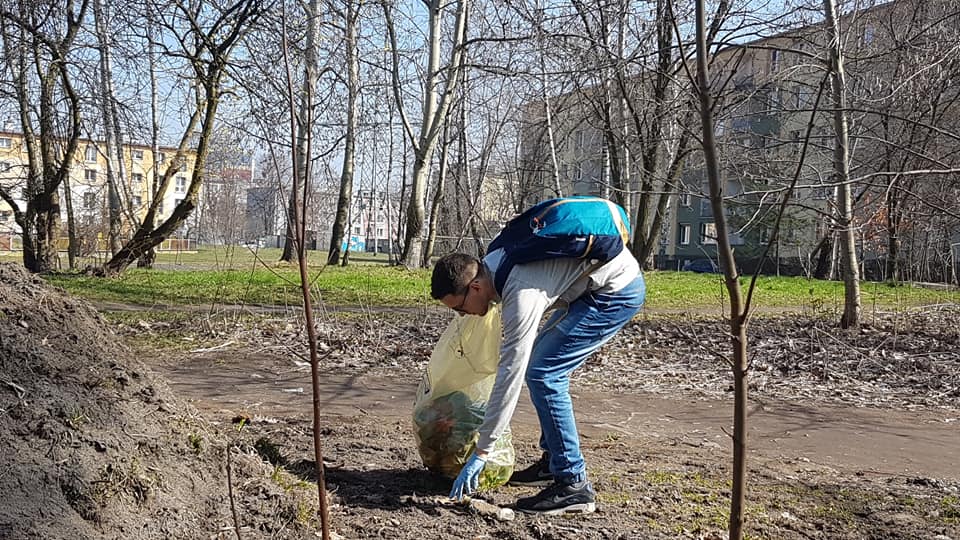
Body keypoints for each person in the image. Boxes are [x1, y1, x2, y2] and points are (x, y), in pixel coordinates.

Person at [430, 221, 645, 515]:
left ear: (476, 286)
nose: (462, 314)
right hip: (594, 285)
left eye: (459, 307)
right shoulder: (493, 263)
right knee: (540, 368)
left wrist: (482, 451)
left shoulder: (520, 292)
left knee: (544, 375)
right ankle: (554, 462)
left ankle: (573, 484)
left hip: (616, 292)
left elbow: (510, 374)